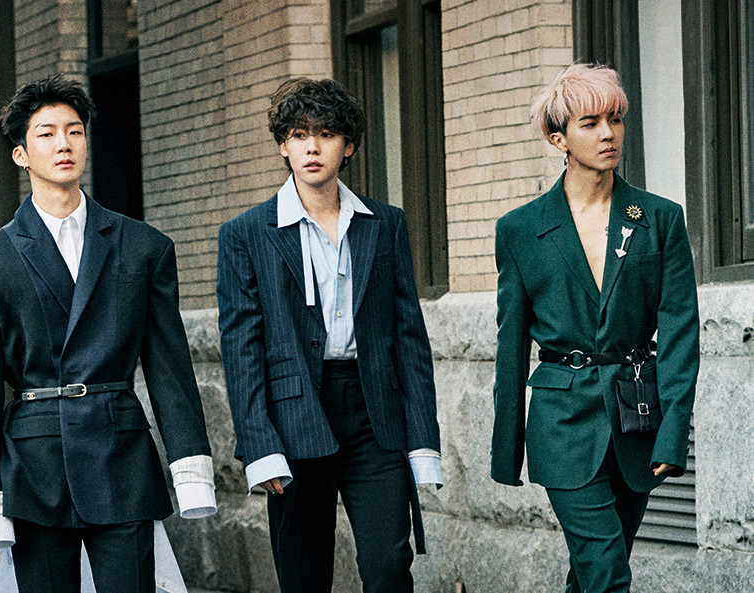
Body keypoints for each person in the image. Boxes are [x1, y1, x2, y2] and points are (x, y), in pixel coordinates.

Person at [0, 75, 216, 593]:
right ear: (21, 155)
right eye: (47, 133)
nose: (64, 144)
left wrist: (190, 468)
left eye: (74, 131)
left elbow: (169, 367)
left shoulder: (144, 248)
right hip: (35, 469)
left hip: (121, 457)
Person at [217, 78, 442, 593]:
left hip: (374, 412)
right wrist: (259, 443)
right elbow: (241, 348)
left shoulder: (384, 224)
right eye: (299, 135)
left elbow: (409, 337)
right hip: (294, 413)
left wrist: (422, 438)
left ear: (349, 146)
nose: (312, 147)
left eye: (326, 134)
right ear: (283, 145)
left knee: (389, 565)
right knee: (304, 572)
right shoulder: (246, 233)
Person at [491, 63, 698, 593]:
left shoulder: (659, 218)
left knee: (592, 574)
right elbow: (510, 344)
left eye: (615, 120)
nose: (608, 134)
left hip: (637, 419)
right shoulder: (520, 230)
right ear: (557, 138)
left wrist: (673, 433)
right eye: (590, 123)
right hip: (562, 424)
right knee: (606, 572)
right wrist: (506, 449)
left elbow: (680, 331)